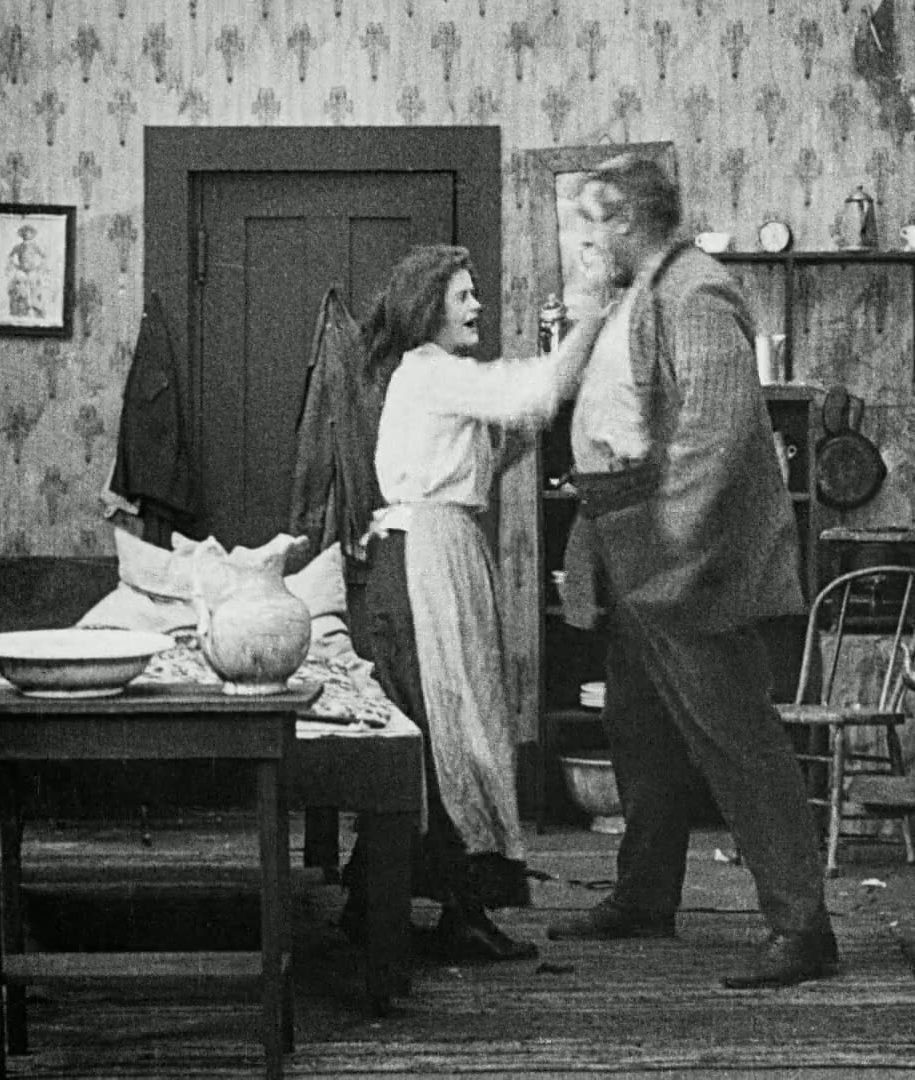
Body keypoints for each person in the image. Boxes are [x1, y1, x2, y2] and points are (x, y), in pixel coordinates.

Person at [543, 154, 838, 989]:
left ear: (631, 221)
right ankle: (645, 896)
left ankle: (802, 926)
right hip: (636, 550)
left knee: (737, 738)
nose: (587, 239)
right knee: (639, 728)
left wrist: (672, 547)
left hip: (686, 563)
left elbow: (716, 430)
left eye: (596, 221)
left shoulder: (697, 292)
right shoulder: (642, 291)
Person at [338, 244, 606, 963]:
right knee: (451, 731)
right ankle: (450, 911)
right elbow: (533, 389)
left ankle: (378, 902)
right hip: (428, 558)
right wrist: (591, 320)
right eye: (463, 295)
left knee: (441, 730)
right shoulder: (433, 372)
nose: (477, 305)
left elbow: (485, 454)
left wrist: (518, 428)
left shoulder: (427, 377)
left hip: (435, 551)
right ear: (429, 307)